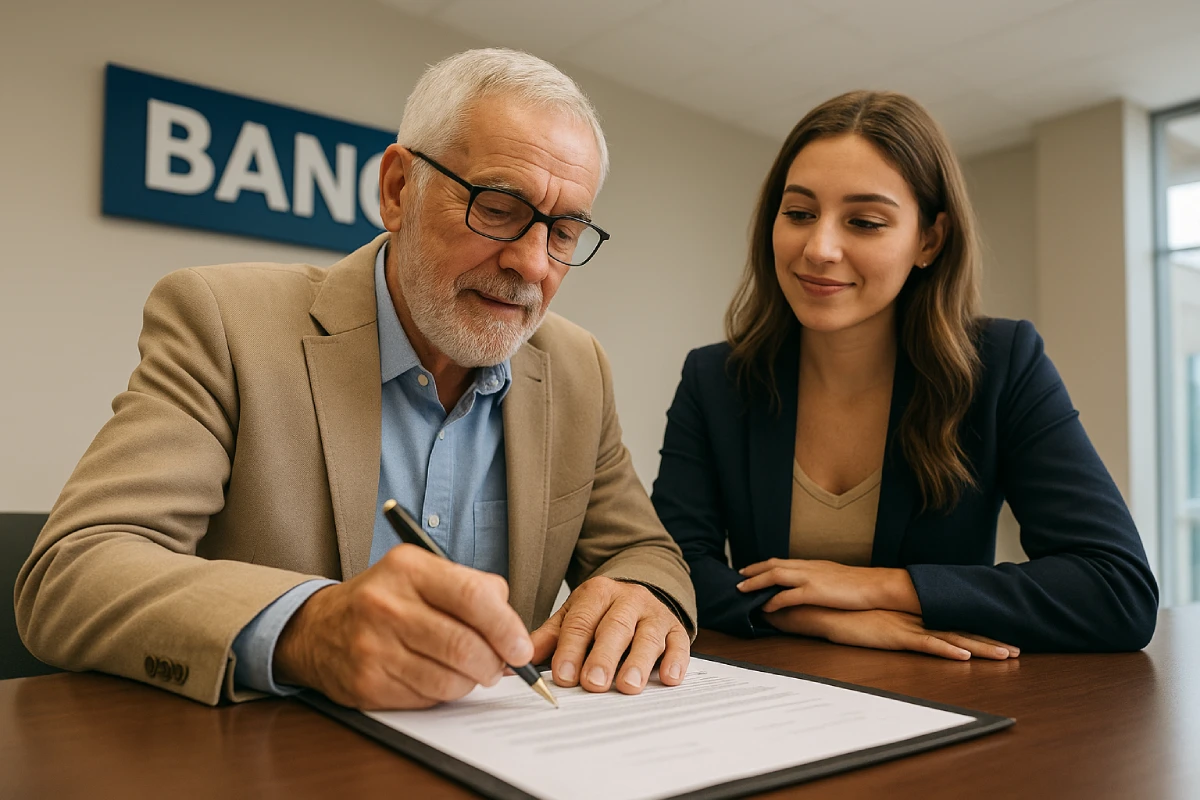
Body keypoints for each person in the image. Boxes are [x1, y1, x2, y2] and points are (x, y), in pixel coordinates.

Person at [16, 48, 695, 708]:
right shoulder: (225, 322)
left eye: (565, 233)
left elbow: (642, 549)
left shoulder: (578, 369)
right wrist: (306, 629)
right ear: (399, 189)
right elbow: (73, 573)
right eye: (496, 206)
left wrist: (643, 594)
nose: (532, 263)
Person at [651, 90, 1157, 658]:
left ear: (929, 240)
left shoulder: (1003, 363)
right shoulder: (714, 378)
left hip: (946, 703)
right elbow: (669, 568)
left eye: (864, 222)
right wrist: (822, 617)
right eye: (798, 213)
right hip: (778, 700)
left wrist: (882, 587)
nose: (819, 248)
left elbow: (1117, 590)